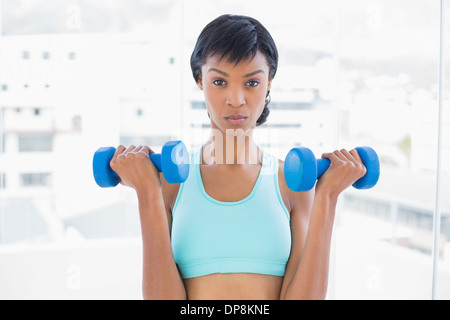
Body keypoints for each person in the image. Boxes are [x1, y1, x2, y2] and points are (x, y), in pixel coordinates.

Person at [109, 14, 366, 300]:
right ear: (199, 81)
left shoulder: (291, 185)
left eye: (252, 83)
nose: (236, 99)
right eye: (219, 82)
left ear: (269, 83)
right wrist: (147, 193)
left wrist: (327, 196)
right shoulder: (170, 184)